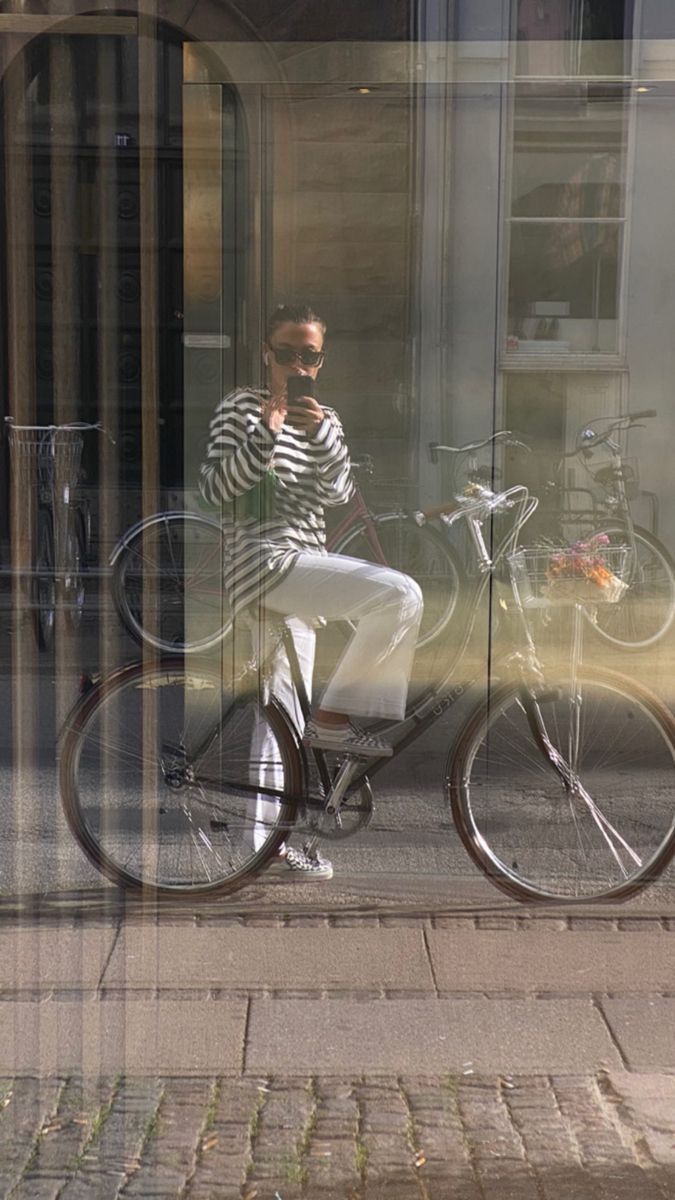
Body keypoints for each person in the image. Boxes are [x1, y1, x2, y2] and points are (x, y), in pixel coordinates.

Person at [199, 303, 423, 878]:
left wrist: (319, 432)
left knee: (280, 719)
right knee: (399, 596)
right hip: (263, 565)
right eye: (289, 353)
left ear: (320, 361)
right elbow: (216, 491)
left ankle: (263, 849)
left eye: (311, 355)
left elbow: (338, 493)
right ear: (267, 353)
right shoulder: (239, 408)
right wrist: (267, 436)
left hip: (302, 568)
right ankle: (337, 719)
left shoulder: (328, 419)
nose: (299, 364)